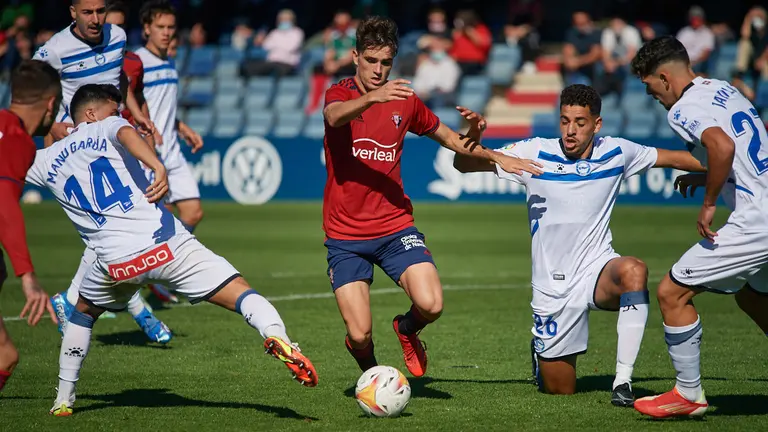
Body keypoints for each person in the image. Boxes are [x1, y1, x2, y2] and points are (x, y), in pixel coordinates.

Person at [24, 84, 318, 416]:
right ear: (90, 113)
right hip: (163, 246)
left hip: (113, 263)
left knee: (82, 314)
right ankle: (279, 337)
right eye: (113, 108)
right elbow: (124, 131)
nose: (120, 114)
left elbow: (12, 163)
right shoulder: (104, 126)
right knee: (239, 292)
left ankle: (64, 398)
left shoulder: (42, 161)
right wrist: (157, 166)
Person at [454, 84, 706, 406]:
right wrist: (474, 133)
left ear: (597, 125)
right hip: (553, 288)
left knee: (634, 271)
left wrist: (728, 165)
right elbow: (463, 165)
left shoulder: (617, 152)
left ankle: (623, 381)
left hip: (596, 270)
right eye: (564, 121)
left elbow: (677, 158)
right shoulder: (534, 152)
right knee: (560, 390)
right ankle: (542, 356)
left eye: (580, 122)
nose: (570, 130)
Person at [322, 16, 542, 378]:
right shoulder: (340, 93)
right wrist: (374, 97)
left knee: (432, 303)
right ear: (355, 56)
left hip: (394, 228)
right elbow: (334, 117)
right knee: (359, 334)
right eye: (371, 61)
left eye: (386, 63)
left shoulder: (404, 101)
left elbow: (453, 140)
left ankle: (406, 329)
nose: (379, 70)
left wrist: (492, 150)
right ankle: (375, 376)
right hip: (345, 237)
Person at [630, 35, 768, 418]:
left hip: (758, 220)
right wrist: (713, 179)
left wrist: (709, 203)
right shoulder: (721, 88)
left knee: (672, 292)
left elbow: (722, 147)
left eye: (649, 86)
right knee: (754, 296)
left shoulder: (682, 108)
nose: (652, 96)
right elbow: (740, 144)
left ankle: (688, 394)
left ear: (664, 77)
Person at [0, 60, 61, 392]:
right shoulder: (17, 140)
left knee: (5, 355)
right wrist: (27, 275)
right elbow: (3, 202)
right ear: (51, 103)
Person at [32, 0, 155, 147]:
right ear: (73, 12)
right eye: (87, 13)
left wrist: (137, 115)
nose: (95, 20)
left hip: (113, 136)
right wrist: (51, 127)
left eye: (101, 11)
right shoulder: (55, 49)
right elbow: (29, 91)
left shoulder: (118, 36)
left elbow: (118, 74)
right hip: (76, 141)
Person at [562, 11, 602, 86]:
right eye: (578, 24)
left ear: (589, 22)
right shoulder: (572, 33)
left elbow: (596, 54)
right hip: (578, 68)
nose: (581, 27)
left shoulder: (597, 33)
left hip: (594, 67)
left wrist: (578, 62)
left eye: (583, 23)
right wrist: (570, 60)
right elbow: (568, 49)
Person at [675, 6, 715, 74]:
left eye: (697, 18)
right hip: (683, 62)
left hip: (698, 64)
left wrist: (692, 63)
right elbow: (676, 49)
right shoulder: (684, 32)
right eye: (693, 18)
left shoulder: (707, 33)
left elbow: (705, 54)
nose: (695, 20)